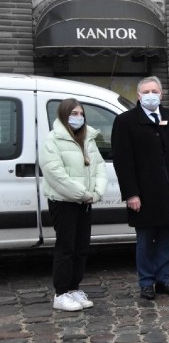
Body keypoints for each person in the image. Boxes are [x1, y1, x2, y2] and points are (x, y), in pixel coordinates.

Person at [112, 76, 169, 301]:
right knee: (146, 240)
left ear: (161, 94)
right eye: (146, 91)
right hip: (144, 193)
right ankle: (146, 281)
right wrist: (131, 193)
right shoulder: (125, 121)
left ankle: (164, 279)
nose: (151, 95)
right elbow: (123, 161)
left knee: (168, 238)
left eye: (154, 91)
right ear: (139, 96)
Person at [39, 99, 108, 312]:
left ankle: (74, 288)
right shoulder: (52, 140)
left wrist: (96, 193)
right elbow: (55, 174)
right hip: (64, 202)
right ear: (63, 115)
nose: (78, 117)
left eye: (80, 113)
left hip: (85, 202)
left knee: (81, 247)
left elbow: (99, 167)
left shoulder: (88, 138)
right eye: (73, 113)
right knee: (66, 247)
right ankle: (61, 293)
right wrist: (83, 194)